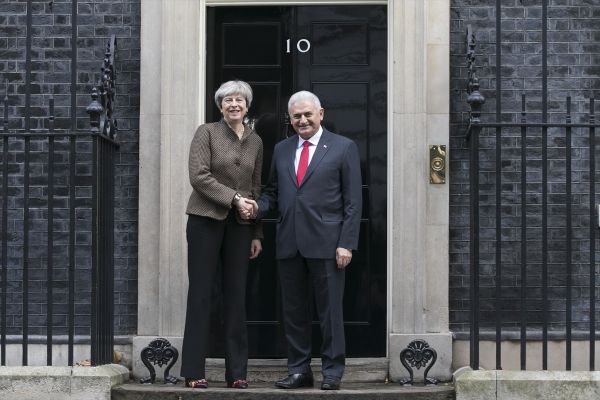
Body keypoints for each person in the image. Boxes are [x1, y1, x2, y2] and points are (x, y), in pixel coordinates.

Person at [241, 90, 362, 390]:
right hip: (289, 241)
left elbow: (353, 201)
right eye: (297, 116)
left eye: (308, 114)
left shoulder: (343, 147)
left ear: (321, 113)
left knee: (330, 312)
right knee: (293, 312)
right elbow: (272, 192)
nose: (303, 120)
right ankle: (299, 370)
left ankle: (332, 372)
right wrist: (258, 207)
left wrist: (346, 242)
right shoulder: (282, 149)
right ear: (290, 119)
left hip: (329, 243)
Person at [181, 80, 263, 390]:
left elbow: (256, 187)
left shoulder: (256, 141)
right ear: (220, 106)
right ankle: (193, 371)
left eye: (239, 100)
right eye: (228, 100)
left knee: (236, 297)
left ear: (247, 105)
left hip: (240, 227)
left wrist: (257, 231)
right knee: (201, 294)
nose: (234, 105)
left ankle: (237, 373)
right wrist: (235, 199)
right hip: (205, 220)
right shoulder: (206, 133)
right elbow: (199, 176)